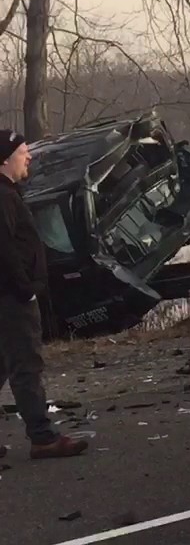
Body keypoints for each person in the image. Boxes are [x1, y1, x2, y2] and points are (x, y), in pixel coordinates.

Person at [0, 129, 89, 460]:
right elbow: (5, 248)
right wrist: (26, 288)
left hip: (7, 295)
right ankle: (43, 437)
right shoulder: (3, 197)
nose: (30, 156)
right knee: (26, 366)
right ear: (5, 159)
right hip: (12, 298)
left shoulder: (9, 194)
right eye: (23, 151)